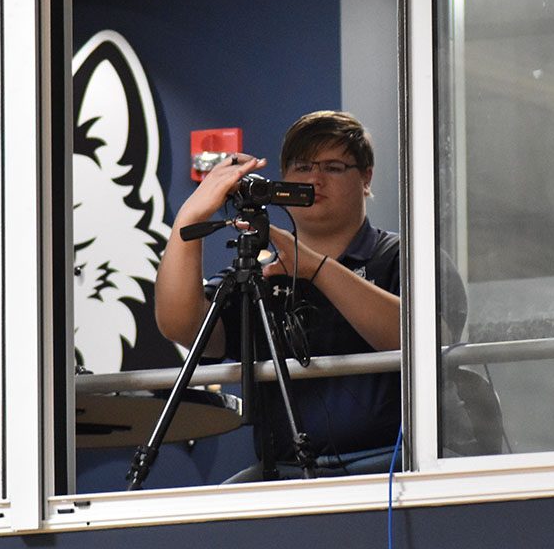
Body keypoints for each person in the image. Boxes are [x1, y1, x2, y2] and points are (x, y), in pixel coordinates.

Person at [155, 110, 470, 480]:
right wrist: (188, 219)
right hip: (283, 472)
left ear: (366, 178)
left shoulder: (407, 258)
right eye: (302, 168)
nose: (315, 179)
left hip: (396, 466)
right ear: (285, 181)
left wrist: (315, 269)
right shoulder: (261, 274)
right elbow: (180, 324)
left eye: (334, 168)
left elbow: (431, 339)